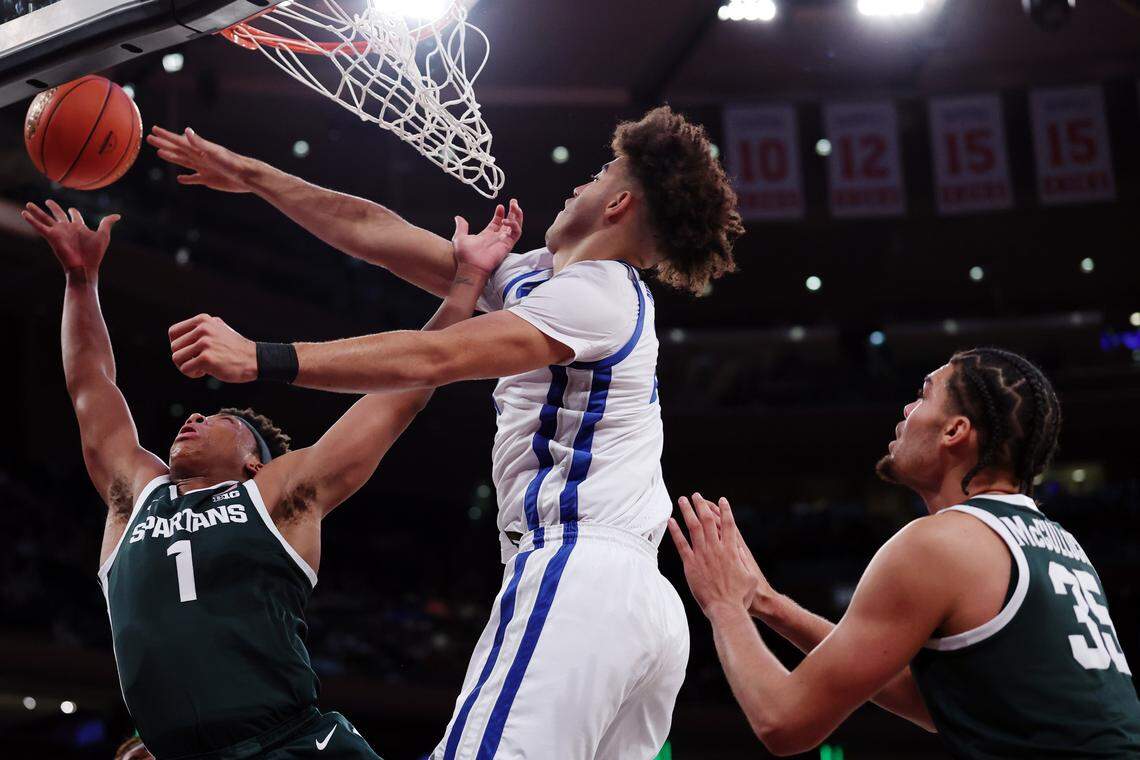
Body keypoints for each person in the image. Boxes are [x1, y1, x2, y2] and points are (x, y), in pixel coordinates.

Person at [148, 105, 744, 758]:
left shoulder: (597, 294)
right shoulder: (549, 280)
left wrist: (262, 356)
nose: (583, 181)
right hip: (641, 605)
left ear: (619, 203)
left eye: (603, 171)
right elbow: (376, 233)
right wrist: (255, 175)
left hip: (579, 570)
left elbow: (434, 356)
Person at [20, 198, 519, 759]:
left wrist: (469, 280)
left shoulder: (277, 496)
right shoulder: (136, 495)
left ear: (255, 462)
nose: (193, 418)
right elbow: (91, 387)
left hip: (291, 745)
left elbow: (396, 401)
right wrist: (80, 280)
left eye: (219, 419)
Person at [668, 348, 1140, 758]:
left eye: (924, 394)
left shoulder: (939, 543)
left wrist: (724, 605)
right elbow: (941, 706)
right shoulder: (1056, 542)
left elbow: (783, 722)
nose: (907, 408)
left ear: (955, 431)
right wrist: (767, 604)